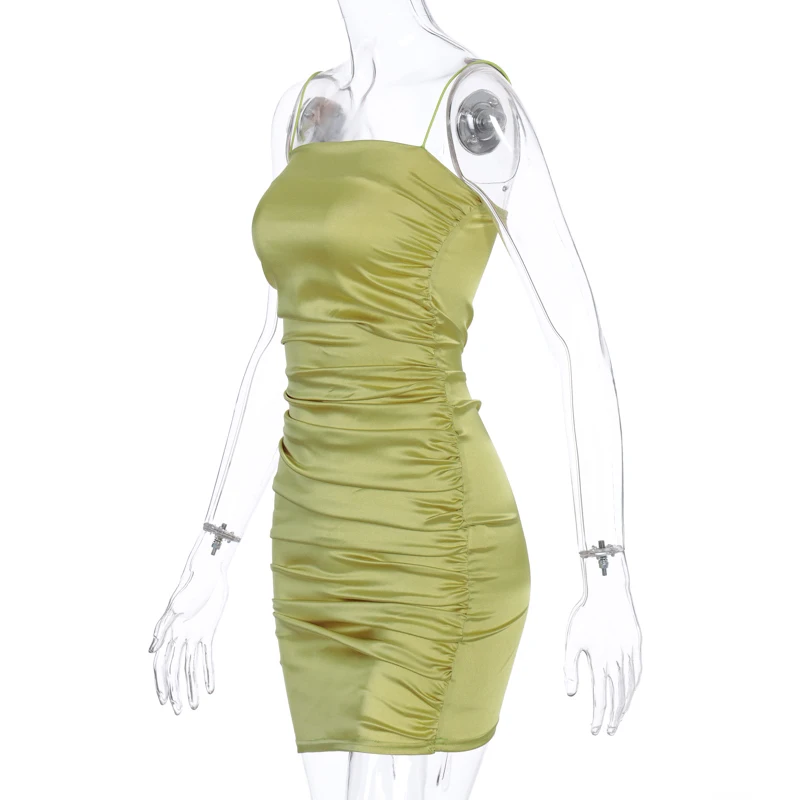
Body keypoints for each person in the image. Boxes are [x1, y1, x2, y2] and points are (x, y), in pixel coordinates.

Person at [149, 2, 643, 797]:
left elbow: (578, 340)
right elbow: (278, 344)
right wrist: (211, 559)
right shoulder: (304, 113)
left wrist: (607, 576)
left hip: (431, 531)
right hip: (310, 549)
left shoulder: (471, 103)